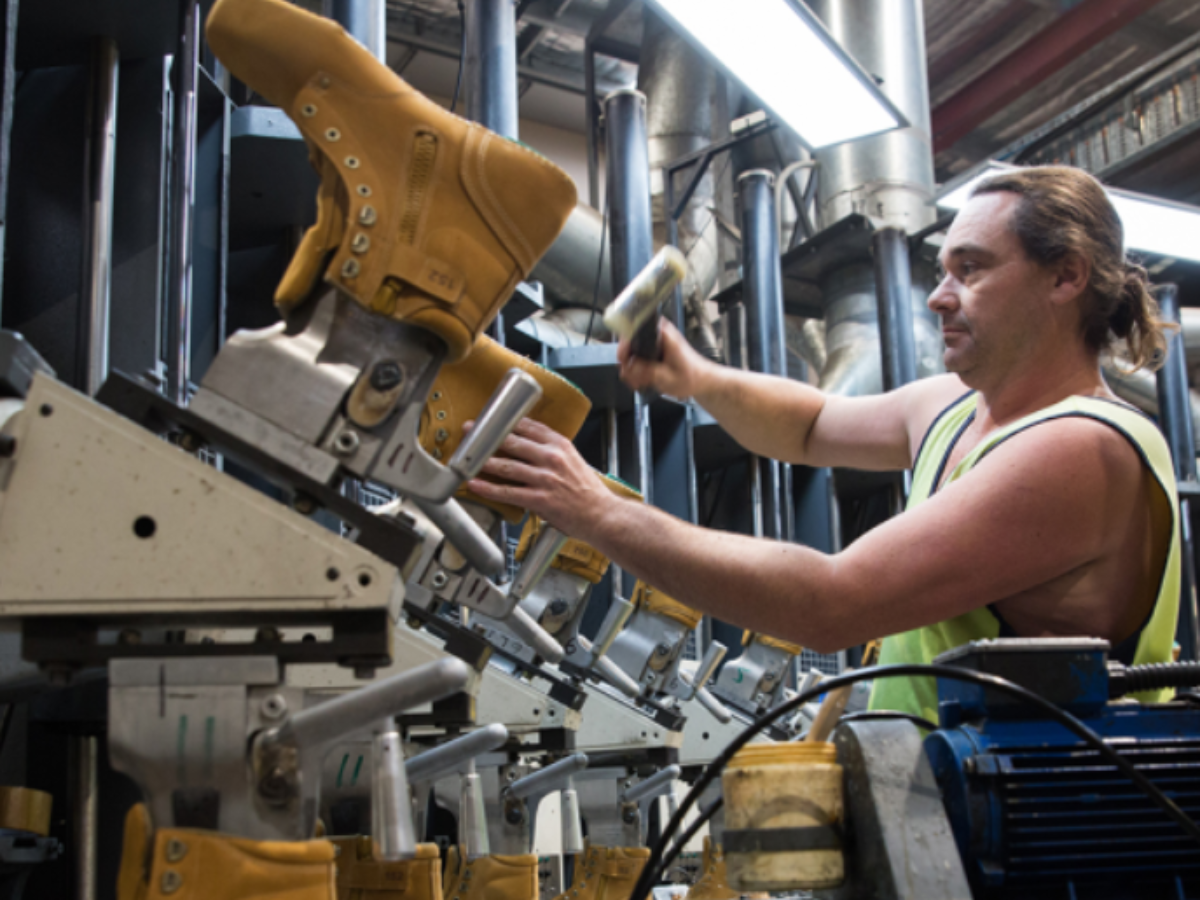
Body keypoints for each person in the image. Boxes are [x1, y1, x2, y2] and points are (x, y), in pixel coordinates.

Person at [465, 165, 1182, 723]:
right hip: (949, 800)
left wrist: (598, 511)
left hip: (1042, 825)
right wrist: (696, 376)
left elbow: (831, 603)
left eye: (972, 269)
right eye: (943, 271)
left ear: (1066, 276)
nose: (939, 296)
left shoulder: (1081, 448)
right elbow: (809, 426)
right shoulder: (953, 407)